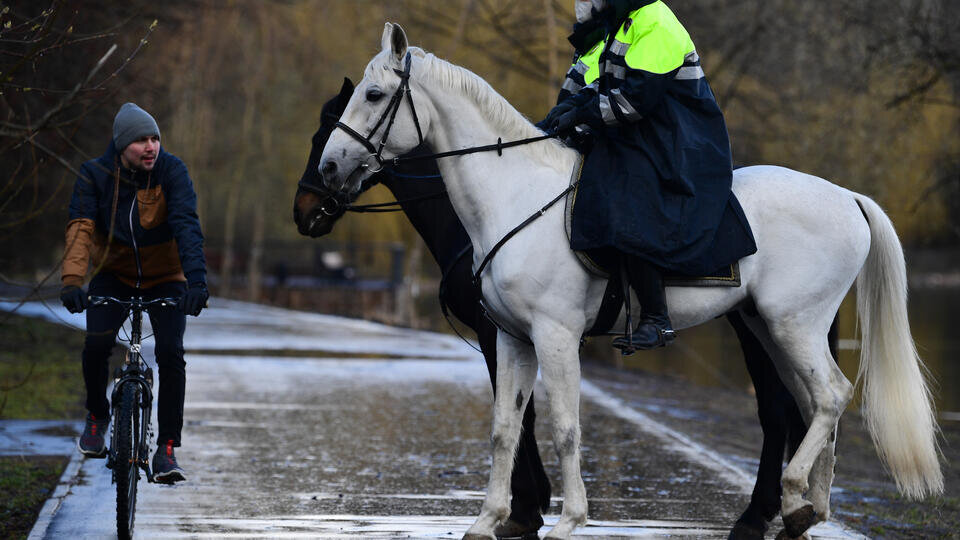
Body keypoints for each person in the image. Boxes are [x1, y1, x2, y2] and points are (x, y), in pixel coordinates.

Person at [539, 0, 756, 352]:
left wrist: (583, 115)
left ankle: (657, 320)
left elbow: (632, 102)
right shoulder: (627, 21)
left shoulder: (656, 23)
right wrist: (567, 111)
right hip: (648, 136)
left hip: (681, 143)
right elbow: (606, 85)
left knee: (625, 197)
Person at [60, 102, 209, 483]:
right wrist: (72, 281)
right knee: (96, 345)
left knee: (172, 354)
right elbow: (81, 228)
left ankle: (167, 449)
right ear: (122, 144)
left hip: (166, 276)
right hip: (114, 274)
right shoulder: (95, 175)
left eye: (155, 138)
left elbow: (186, 225)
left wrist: (196, 282)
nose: (151, 147)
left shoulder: (172, 171)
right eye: (142, 140)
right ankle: (97, 417)